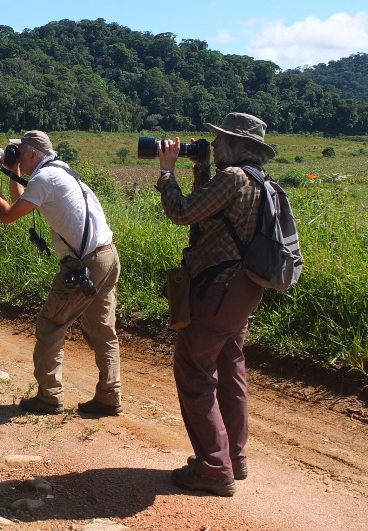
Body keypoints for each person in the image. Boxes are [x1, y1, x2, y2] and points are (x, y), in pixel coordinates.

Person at [154, 112, 275, 497]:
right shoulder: (259, 180)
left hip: (218, 289)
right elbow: (212, 214)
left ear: (235, 144)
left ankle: (212, 468)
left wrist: (167, 172)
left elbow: (183, 213)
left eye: (219, 139)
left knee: (194, 370)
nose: (213, 143)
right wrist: (201, 168)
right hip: (244, 287)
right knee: (229, 366)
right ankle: (234, 459)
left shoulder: (233, 178)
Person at [0, 130, 121, 416]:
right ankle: (109, 395)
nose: (15, 156)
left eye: (19, 152)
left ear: (33, 153)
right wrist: (12, 172)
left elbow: (7, 216)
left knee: (50, 325)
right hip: (107, 256)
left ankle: (49, 396)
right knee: (102, 329)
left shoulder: (45, 178)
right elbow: (21, 202)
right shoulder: (61, 171)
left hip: (85, 264)